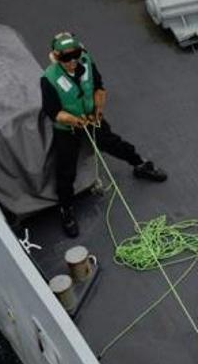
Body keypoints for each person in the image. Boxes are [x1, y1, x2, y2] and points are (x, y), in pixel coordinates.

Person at [41, 32, 167, 237]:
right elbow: (54, 112)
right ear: (56, 57)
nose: (72, 61)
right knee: (66, 169)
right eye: (66, 58)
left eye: (75, 55)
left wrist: (98, 109)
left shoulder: (87, 63)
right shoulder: (49, 79)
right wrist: (75, 121)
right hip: (68, 127)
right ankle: (66, 210)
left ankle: (140, 165)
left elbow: (98, 87)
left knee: (112, 143)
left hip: (92, 117)